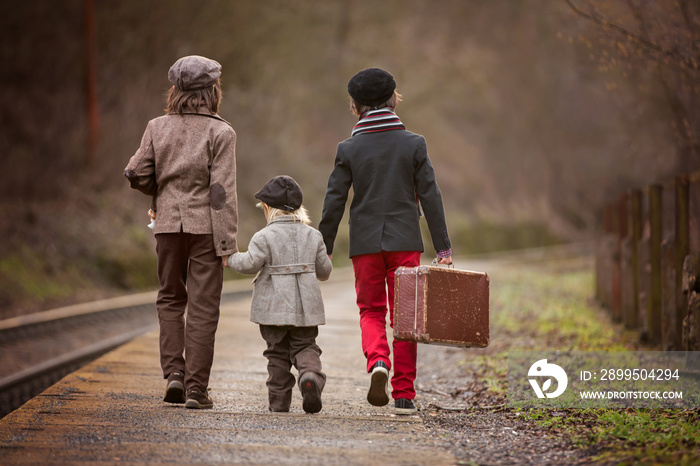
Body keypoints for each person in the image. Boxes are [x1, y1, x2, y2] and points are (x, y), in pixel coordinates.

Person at [319, 68, 452, 415]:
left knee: (370, 310)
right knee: (406, 317)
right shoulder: (413, 143)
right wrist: (443, 248)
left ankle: (378, 360)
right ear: (393, 100)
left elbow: (334, 201)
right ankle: (404, 394)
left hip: (364, 243)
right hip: (405, 240)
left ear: (355, 105)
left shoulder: (348, 148)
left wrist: (324, 246)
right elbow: (431, 196)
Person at [124, 55, 238, 409]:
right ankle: (195, 390)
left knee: (171, 298)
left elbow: (135, 172)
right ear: (212, 90)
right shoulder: (221, 132)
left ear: (177, 90)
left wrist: (162, 192)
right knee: (203, 306)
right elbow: (221, 193)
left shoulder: (156, 127)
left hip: (168, 225)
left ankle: (174, 373)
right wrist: (227, 243)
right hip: (206, 228)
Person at [225, 176, 332, 414]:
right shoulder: (314, 236)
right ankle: (310, 375)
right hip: (306, 310)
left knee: (276, 356)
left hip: (272, 309)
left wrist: (229, 259)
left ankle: (279, 404)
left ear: (269, 209)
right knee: (306, 346)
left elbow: (250, 263)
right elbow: (324, 272)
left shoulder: (263, 237)